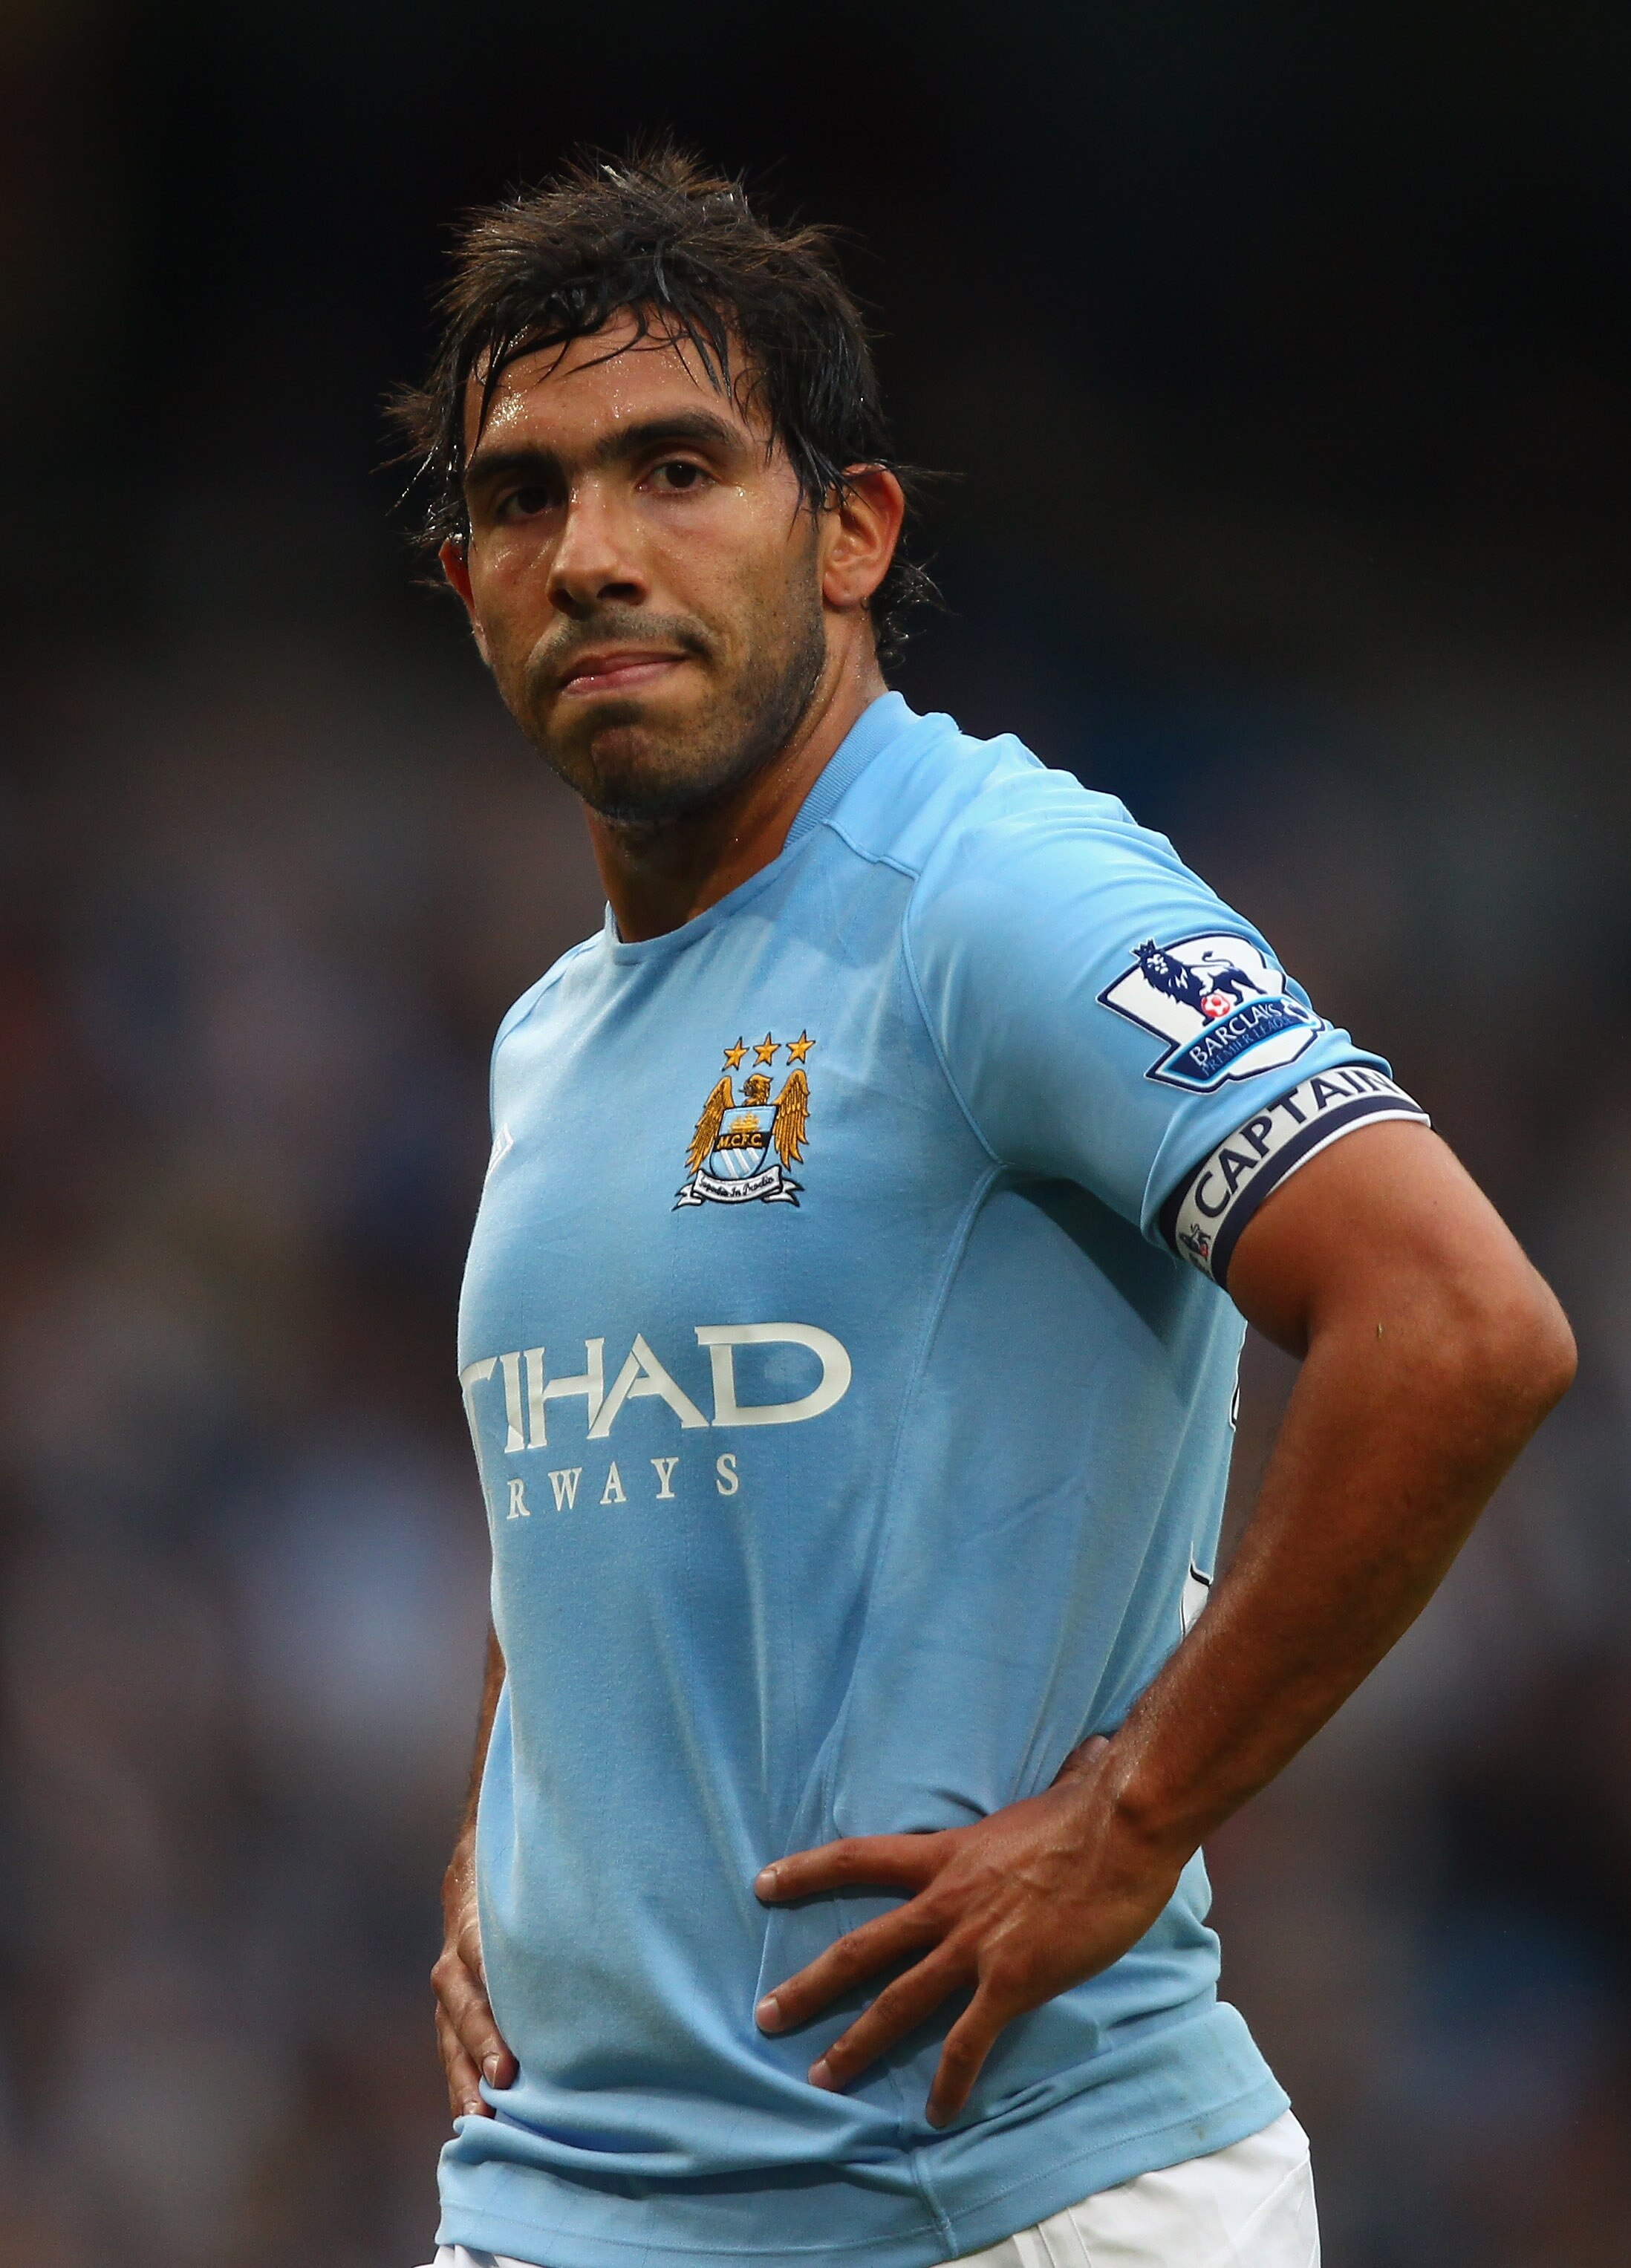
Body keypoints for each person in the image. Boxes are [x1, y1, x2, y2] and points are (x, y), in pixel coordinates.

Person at [394, 149, 1575, 2268]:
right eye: (521, 494)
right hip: (576, 2201)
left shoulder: (991, 893)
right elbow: (608, 1474)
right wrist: (515, 1832)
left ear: (848, 532)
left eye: (675, 468)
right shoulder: (556, 1031)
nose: (588, 553)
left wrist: (1127, 1821)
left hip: (983, 2194)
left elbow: (1461, 1322)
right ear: (462, 576)